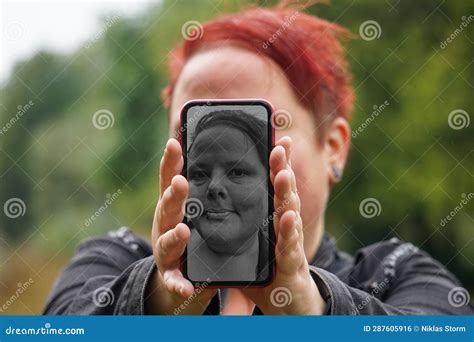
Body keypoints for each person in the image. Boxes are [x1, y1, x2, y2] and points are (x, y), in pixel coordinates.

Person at [43, 2, 473, 315]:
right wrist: (157, 299)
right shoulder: (107, 263)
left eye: (257, 124)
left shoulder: (396, 276)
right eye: (196, 130)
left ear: (334, 147)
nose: (222, 152)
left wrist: (311, 309)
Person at [186, 110, 270, 282]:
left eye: (237, 172)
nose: (214, 186)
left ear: (271, 184)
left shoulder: (291, 271)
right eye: (200, 174)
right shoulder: (157, 268)